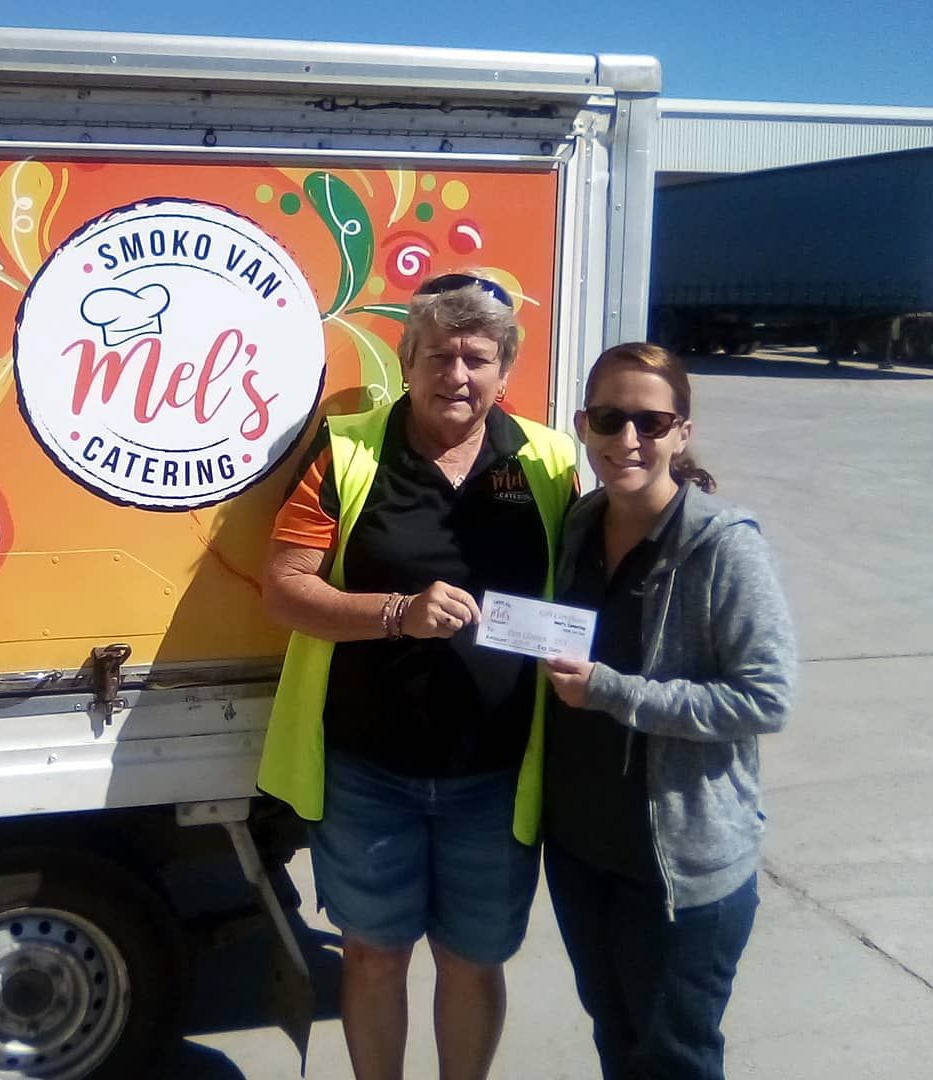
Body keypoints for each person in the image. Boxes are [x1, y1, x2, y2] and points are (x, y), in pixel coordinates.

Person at [258, 272, 578, 1080]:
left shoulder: (550, 461)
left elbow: (591, 581)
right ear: (408, 361)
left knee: (473, 962)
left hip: (496, 775)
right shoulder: (347, 451)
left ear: (506, 370)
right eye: (439, 355)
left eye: (477, 358)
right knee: (371, 958)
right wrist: (396, 612)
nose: (458, 376)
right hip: (371, 772)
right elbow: (285, 587)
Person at [543, 342, 797, 1080]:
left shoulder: (722, 547)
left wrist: (614, 691)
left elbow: (767, 696)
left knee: (676, 1060)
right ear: (584, 424)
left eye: (650, 423)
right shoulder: (579, 528)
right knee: (617, 1043)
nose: (628, 440)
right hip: (583, 854)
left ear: (681, 432)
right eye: (610, 418)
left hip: (677, 873)